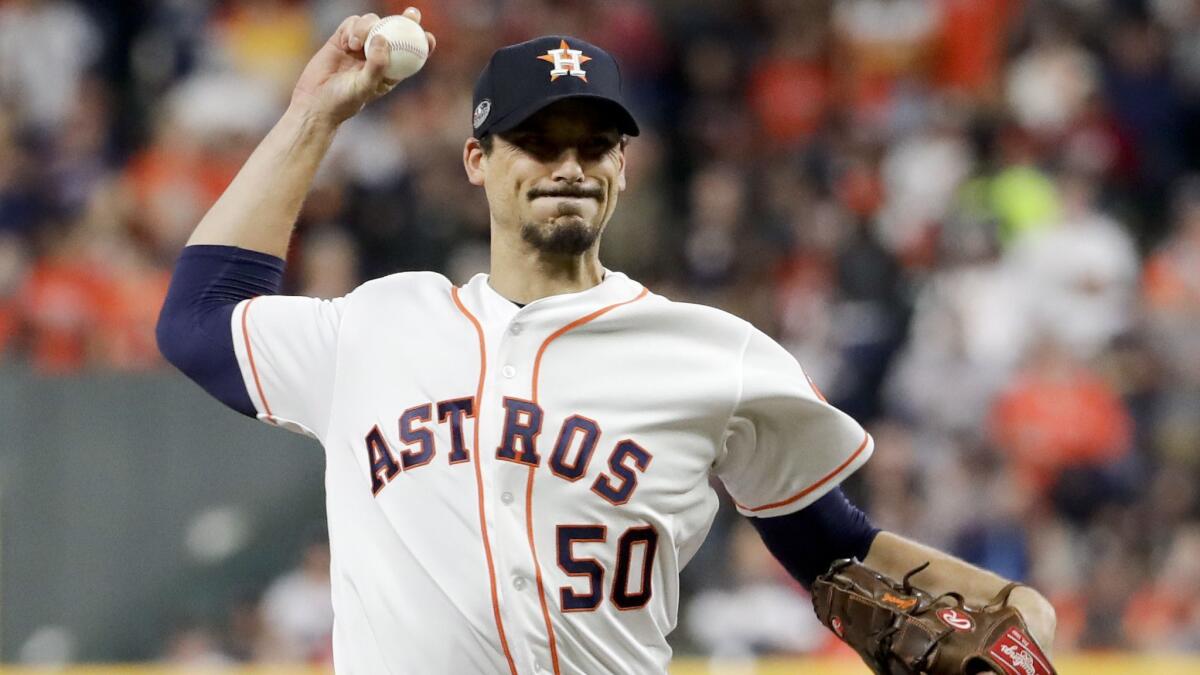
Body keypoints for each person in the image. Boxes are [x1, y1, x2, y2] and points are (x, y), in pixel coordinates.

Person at [157, 8, 1056, 673]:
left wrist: (1010, 605)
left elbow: (834, 549)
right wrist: (315, 114)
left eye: (594, 144)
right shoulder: (376, 324)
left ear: (624, 168)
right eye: (537, 142)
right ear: (479, 161)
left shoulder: (712, 353)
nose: (569, 166)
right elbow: (198, 318)